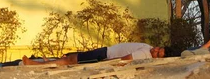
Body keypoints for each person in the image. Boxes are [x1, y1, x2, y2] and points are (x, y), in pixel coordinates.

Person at [22, 43, 171, 66]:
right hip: (105, 50)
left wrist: (105, 63)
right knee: (70, 57)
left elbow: (125, 60)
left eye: (158, 54)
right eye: (159, 49)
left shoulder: (146, 54)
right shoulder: (148, 48)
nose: (155, 51)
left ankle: (36, 64)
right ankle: (44, 62)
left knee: (71, 60)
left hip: (103, 56)